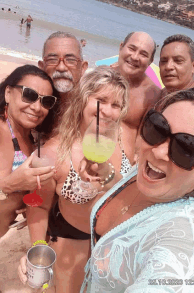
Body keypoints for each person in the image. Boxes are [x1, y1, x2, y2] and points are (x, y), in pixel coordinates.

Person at [78, 86, 194, 292]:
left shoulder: (188, 234)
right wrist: (105, 171)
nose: (159, 151)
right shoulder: (149, 171)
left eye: (186, 149)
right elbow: (123, 184)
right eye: (158, 128)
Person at [18, 66, 133, 292]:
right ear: (82, 100)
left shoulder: (125, 135)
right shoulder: (52, 153)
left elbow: (130, 190)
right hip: (74, 238)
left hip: (117, 239)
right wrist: (39, 247)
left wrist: (108, 175)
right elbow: (39, 206)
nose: (108, 111)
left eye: (116, 105)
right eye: (100, 100)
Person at [0, 65, 58, 237]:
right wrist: (8, 185)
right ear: (8, 93)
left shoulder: (32, 136)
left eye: (46, 101)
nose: (37, 107)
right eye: (29, 95)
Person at [113, 32, 161, 162]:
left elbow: (143, 142)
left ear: (150, 61)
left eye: (143, 54)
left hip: (121, 164)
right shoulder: (101, 76)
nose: (135, 57)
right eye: (132, 49)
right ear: (121, 47)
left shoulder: (152, 94)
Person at [38, 32, 88, 104]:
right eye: (52, 60)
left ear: (83, 68)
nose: (61, 68)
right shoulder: (32, 104)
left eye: (70, 60)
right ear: (42, 67)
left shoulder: (92, 109)